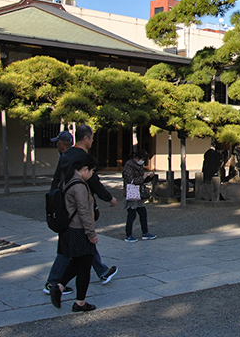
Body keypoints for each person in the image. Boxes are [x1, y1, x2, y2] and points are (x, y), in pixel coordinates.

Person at [43, 127, 118, 296]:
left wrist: (53, 200)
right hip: (74, 209)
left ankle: (102, 271)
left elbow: (57, 179)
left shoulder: (66, 155)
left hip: (63, 204)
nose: (92, 142)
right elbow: (94, 182)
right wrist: (108, 198)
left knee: (80, 246)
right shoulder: (81, 159)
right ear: (86, 138)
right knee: (72, 246)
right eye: (91, 139)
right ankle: (54, 282)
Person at [49, 153, 99, 312]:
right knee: (84, 266)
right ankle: (80, 302)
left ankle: (59, 287)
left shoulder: (66, 181)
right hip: (79, 230)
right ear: (85, 169)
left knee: (77, 263)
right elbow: (83, 211)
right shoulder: (79, 186)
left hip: (69, 229)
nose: (91, 175)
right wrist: (91, 233)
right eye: (91, 171)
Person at [122, 150, 157, 242]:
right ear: (137, 158)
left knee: (143, 213)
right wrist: (143, 177)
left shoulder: (139, 166)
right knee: (132, 215)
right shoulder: (128, 166)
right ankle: (128, 234)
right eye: (142, 159)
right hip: (132, 193)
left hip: (139, 192)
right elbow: (130, 180)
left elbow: (142, 181)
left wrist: (149, 177)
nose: (143, 161)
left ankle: (145, 232)